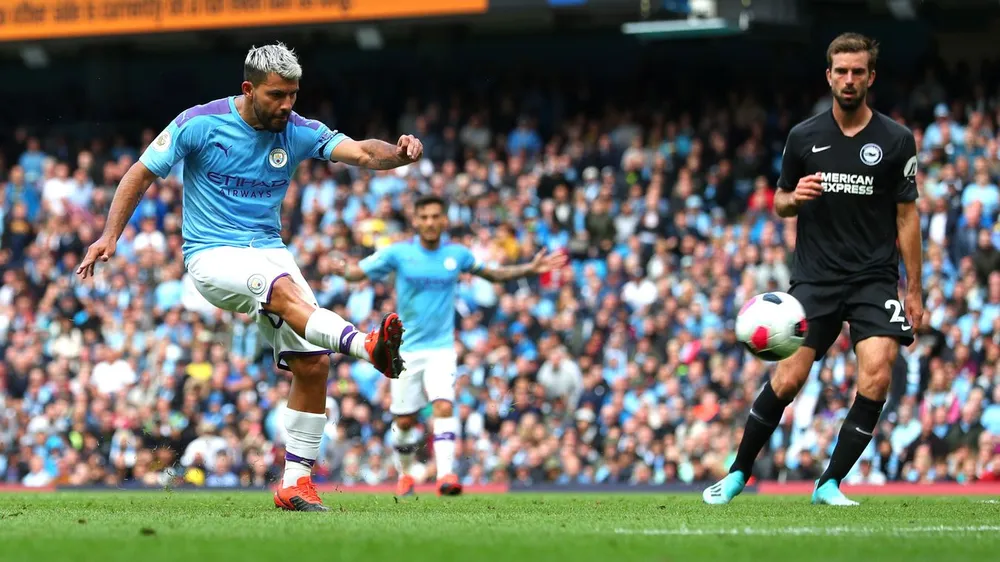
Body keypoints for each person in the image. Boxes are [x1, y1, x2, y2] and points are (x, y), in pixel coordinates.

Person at [76, 42, 423, 512]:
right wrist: (110, 235)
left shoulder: (298, 130)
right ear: (248, 89)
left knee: (312, 363)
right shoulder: (198, 123)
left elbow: (361, 152)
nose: (286, 105)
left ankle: (294, 484)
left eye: (293, 95)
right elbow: (140, 174)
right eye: (277, 95)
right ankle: (367, 347)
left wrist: (399, 155)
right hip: (212, 255)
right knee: (283, 292)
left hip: (268, 252)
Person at [703, 32, 923, 506]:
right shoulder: (803, 137)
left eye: (857, 72)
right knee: (787, 380)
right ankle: (739, 473)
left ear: (871, 77)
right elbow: (781, 201)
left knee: (878, 375)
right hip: (816, 279)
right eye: (840, 71)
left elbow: (907, 216)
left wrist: (916, 290)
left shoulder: (896, 139)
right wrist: (792, 198)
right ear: (828, 76)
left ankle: (829, 484)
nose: (849, 79)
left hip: (873, 278)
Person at [333, 195, 566, 496]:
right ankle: (405, 474)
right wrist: (341, 269)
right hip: (404, 351)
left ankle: (446, 476)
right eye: (424, 217)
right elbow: (357, 272)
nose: (430, 222)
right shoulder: (399, 254)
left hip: (442, 348)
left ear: (444, 220)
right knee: (404, 420)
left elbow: (492, 273)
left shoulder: (457, 255)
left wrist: (528, 269)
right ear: (416, 220)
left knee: (443, 404)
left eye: (435, 216)